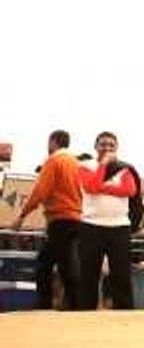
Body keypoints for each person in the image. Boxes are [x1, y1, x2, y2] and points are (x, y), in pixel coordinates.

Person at [12, 130, 82, 310]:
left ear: (53, 142)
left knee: (47, 264)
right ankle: (73, 303)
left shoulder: (54, 160)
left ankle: (47, 303)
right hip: (76, 218)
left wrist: (21, 215)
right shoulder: (76, 163)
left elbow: (40, 191)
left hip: (60, 218)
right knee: (66, 262)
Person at [76, 132, 139, 310]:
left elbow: (130, 190)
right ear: (95, 146)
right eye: (103, 144)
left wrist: (101, 187)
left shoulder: (125, 168)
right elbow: (90, 187)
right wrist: (103, 165)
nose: (107, 148)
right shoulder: (85, 165)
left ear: (116, 148)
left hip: (119, 226)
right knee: (88, 273)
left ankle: (125, 314)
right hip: (91, 226)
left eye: (111, 145)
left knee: (121, 274)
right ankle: (85, 313)